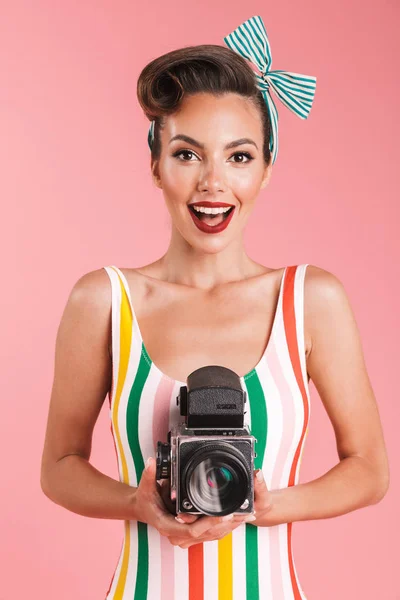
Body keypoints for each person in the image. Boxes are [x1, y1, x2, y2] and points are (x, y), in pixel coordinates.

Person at [40, 15, 389, 600]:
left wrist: (270, 506)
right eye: (186, 154)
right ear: (155, 165)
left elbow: (370, 469)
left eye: (239, 156)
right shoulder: (103, 301)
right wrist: (138, 503)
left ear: (267, 169)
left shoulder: (310, 300)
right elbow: (60, 465)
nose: (212, 183)